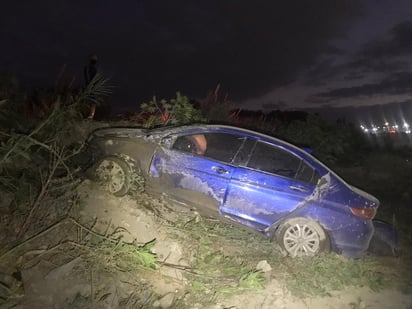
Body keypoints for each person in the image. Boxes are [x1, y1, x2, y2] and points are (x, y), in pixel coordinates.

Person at [84, 54, 98, 119]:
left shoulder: (89, 68)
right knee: (92, 102)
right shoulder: (92, 69)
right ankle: (90, 116)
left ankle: (90, 116)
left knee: (91, 102)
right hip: (91, 87)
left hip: (90, 86)